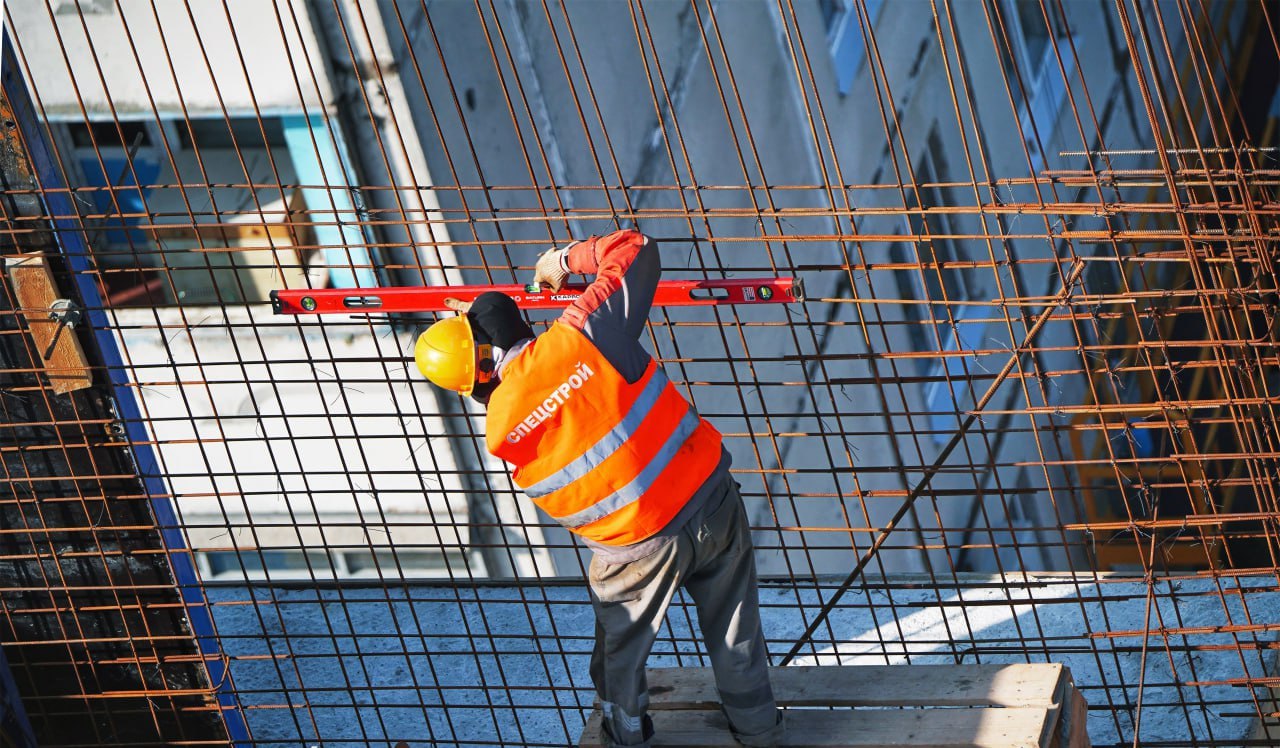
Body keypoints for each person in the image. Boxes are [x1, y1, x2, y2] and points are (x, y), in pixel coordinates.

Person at [413, 229, 783, 747]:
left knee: (619, 661)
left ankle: (628, 739)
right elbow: (636, 249)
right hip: (711, 500)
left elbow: (534, 396)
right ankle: (761, 733)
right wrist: (563, 260)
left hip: (637, 547)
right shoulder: (584, 332)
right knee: (735, 636)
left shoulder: (502, 436)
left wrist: (480, 327)